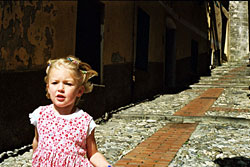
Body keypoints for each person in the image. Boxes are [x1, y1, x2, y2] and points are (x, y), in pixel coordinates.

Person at [29, 55, 112, 167]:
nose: (60, 89)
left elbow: (93, 154)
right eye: (55, 83)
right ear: (48, 87)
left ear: (79, 91)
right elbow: (37, 143)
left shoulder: (84, 121)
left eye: (68, 84)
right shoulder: (40, 115)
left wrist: (107, 166)